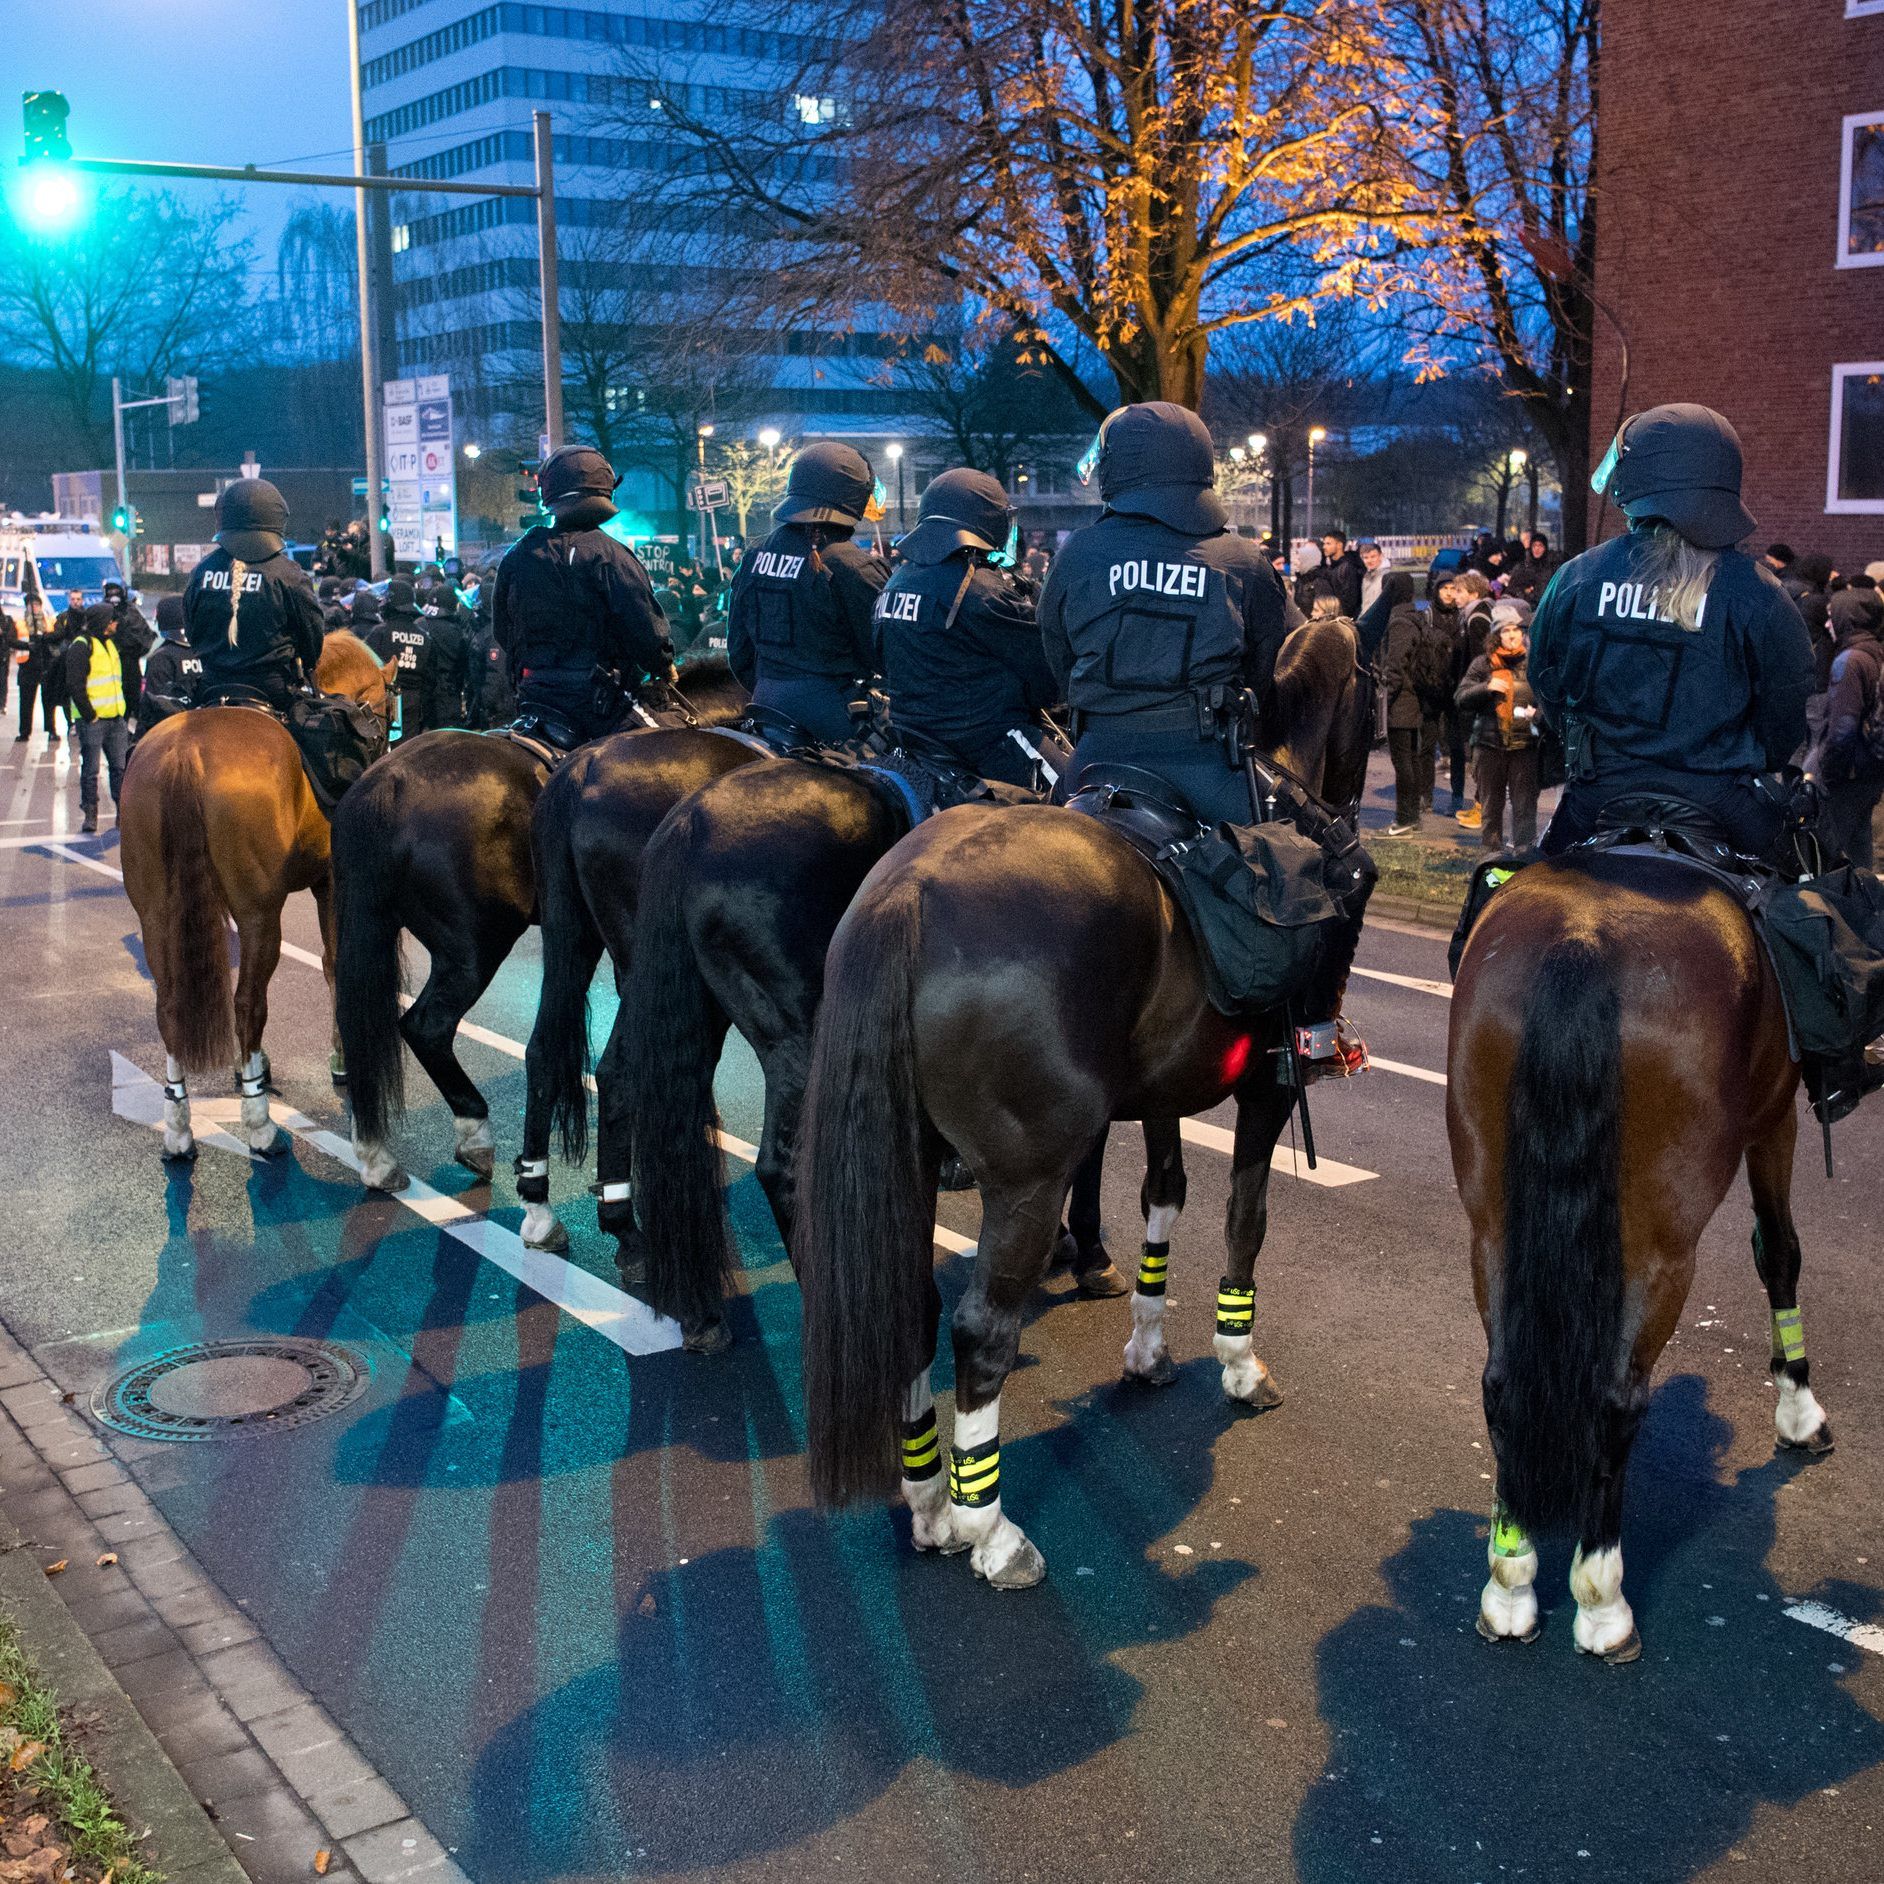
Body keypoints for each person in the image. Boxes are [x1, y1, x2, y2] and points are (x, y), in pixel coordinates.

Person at [1528, 403, 1814, 862]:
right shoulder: (1760, 593)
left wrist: (1586, 750)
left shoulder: (1574, 578)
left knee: (1515, 887)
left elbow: (1545, 678)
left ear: (1634, 480)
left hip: (1598, 793)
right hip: (1721, 796)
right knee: (1805, 885)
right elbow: (1786, 706)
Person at [1040, 402, 1295, 824]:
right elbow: (1261, 669)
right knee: (1293, 854)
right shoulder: (1244, 561)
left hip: (1094, 758)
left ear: (1114, 468)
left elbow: (1057, 651)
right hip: (1204, 763)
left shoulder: (1076, 552)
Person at [875, 467, 1069, 790]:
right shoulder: (983, 590)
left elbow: (880, 657)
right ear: (989, 522)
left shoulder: (896, 581)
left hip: (913, 737)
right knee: (1082, 795)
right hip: (988, 742)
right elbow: (1047, 680)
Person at [492, 444, 673, 745]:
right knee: (672, 746)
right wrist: (662, 665)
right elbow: (646, 630)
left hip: (533, 699)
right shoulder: (611, 555)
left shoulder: (517, 554)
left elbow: (502, 629)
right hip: (601, 706)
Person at [725, 441, 888, 742]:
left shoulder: (753, 556)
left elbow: (738, 650)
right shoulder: (855, 567)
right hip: (834, 713)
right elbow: (883, 656)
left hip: (764, 703)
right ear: (854, 498)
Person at [181, 478, 325, 711]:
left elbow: (191, 631)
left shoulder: (200, 572)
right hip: (273, 690)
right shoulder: (289, 575)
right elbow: (312, 638)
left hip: (210, 686)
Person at [1802, 585, 1884, 867]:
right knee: (1859, 847)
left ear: (1847, 618)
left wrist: (1828, 774)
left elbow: (1843, 729)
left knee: (1826, 853)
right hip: (1870, 768)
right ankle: (1866, 893)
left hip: (1847, 774)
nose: (1828, 624)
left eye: (1832, 615)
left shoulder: (1849, 662)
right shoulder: (1875, 652)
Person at [1456, 613, 1542, 850]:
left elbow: (1548, 697)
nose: (1512, 635)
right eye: (1506, 630)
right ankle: (1491, 859)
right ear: (1496, 636)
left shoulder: (1533, 662)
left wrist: (1538, 714)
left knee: (1525, 809)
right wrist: (1486, 688)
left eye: (1516, 630)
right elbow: (1461, 698)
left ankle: (1523, 859)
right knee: (1491, 809)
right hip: (1489, 745)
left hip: (1525, 747)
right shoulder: (1483, 664)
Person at [63, 604, 132, 833]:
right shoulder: (82, 645)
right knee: (91, 770)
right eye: (112, 619)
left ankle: (123, 813)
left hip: (115, 718)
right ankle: (90, 813)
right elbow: (75, 684)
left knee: (120, 768)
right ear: (103, 622)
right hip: (93, 720)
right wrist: (89, 715)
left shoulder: (111, 644)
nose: (116, 623)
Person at [1375, 571, 1427, 833]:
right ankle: (1412, 816)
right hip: (1413, 699)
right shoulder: (1415, 617)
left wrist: (1383, 700)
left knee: (1403, 762)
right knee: (1412, 760)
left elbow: (1394, 667)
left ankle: (1406, 818)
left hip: (1401, 702)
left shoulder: (1398, 622)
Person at [1449, 570, 1495, 829]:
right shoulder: (1476, 614)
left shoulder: (1477, 619)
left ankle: (1483, 810)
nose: (1454, 596)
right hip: (1481, 693)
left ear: (1474, 593)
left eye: (1459, 591)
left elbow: (1480, 660)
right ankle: (1479, 806)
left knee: (1481, 755)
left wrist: (1474, 691)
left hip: (1480, 696)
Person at [367, 577, 431, 738]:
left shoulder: (379, 632)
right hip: (414, 700)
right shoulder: (425, 637)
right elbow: (431, 677)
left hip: (386, 697)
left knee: (384, 743)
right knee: (408, 746)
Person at [136, 595, 200, 733]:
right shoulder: (204, 653)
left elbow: (153, 702)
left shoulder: (162, 657)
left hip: (171, 730)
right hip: (202, 725)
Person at [1502, 532, 1557, 606]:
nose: (1537, 549)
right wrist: (1526, 593)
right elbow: (1512, 589)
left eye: (1540, 546)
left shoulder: (1551, 568)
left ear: (1545, 548)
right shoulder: (1522, 567)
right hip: (1523, 606)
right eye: (1534, 545)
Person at [1318, 531, 1364, 618]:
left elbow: (1350, 601)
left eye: (1328, 544)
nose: (1324, 547)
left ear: (1339, 545)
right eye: (1324, 544)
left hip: (1343, 619)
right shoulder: (1332, 567)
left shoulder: (1347, 567)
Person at [1358, 539, 1391, 615]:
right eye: (1366, 558)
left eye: (1373, 557)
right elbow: (1365, 604)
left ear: (1381, 556)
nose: (1369, 560)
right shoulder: (1366, 577)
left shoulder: (1387, 576)